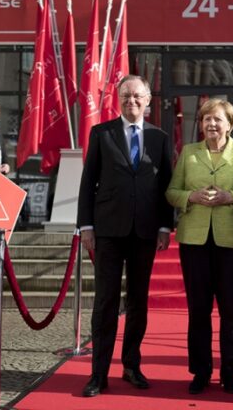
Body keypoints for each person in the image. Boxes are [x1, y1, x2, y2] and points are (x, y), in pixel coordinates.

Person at [77, 75, 174, 398]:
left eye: (137, 96)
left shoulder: (160, 138)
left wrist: (164, 226)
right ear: (119, 100)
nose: (131, 101)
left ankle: (131, 365)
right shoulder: (101, 133)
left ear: (148, 100)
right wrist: (85, 226)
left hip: (145, 232)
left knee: (137, 302)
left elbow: (166, 188)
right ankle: (98, 373)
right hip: (107, 231)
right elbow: (88, 182)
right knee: (105, 301)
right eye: (126, 96)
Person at [166, 98, 233, 395]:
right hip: (194, 239)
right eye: (206, 119)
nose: (211, 124)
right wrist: (188, 198)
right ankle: (201, 370)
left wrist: (231, 197)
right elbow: (171, 191)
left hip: (232, 240)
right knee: (198, 309)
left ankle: (230, 371)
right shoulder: (189, 153)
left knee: (231, 310)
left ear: (230, 124)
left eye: (217, 119)